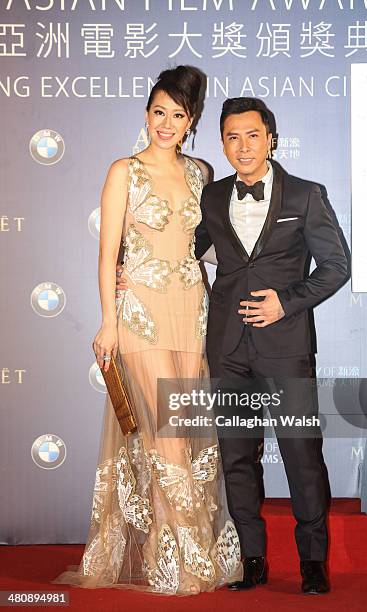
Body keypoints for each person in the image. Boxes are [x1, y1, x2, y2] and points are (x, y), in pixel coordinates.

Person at [116, 97, 349, 594]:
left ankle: (312, 563)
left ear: (271, 138)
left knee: (301, 455)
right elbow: (179, 247)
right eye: (231, 137)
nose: (242, 146)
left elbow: (336, 267)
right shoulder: (211, 196)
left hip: (285, 348)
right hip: (225, 347)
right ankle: (252, 558)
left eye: (252, 135)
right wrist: (127, 271)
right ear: (221, 144)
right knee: (236, 458)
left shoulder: (306, 196)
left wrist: (285, 302)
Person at [52, 66, 242, 596]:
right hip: (139, 314)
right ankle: (182, 559)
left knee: (184, 434)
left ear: (191, 122)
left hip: (190, 310)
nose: (166, 123)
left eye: (178, 116)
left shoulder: (201, 172)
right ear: (146, 113)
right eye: (159, 112)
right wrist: (109, 321)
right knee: (167, 437)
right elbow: (106, 249)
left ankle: (172, 551)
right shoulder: (124, 171)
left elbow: (208, 243)